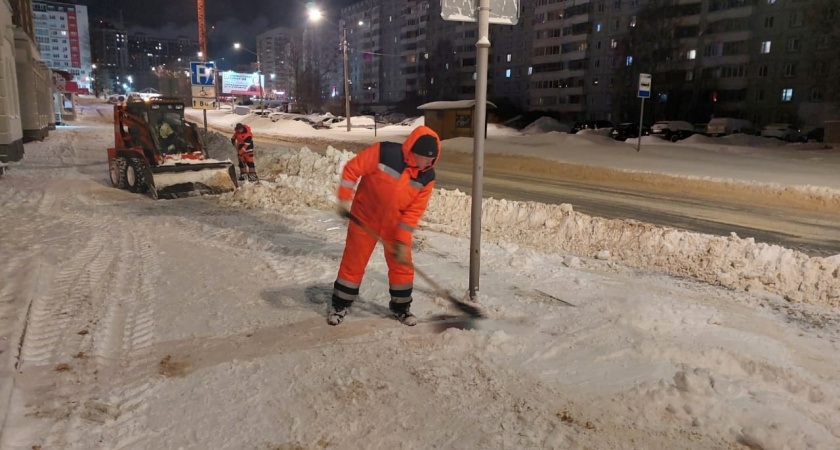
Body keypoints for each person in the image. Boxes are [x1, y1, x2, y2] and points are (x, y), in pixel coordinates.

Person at [329, 125, 441, 326]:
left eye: (432, 160)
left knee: (402, 266)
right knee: (353, 262)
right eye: (426, 158)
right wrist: (344, 199)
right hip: (364, 218)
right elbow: (352, 169)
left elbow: (414, 211)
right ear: (414, 152)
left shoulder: (427, 176)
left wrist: (401, 240)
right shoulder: (385, 153)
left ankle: (401, 308)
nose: (429, 163)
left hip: (395, 225)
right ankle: (340, 305)